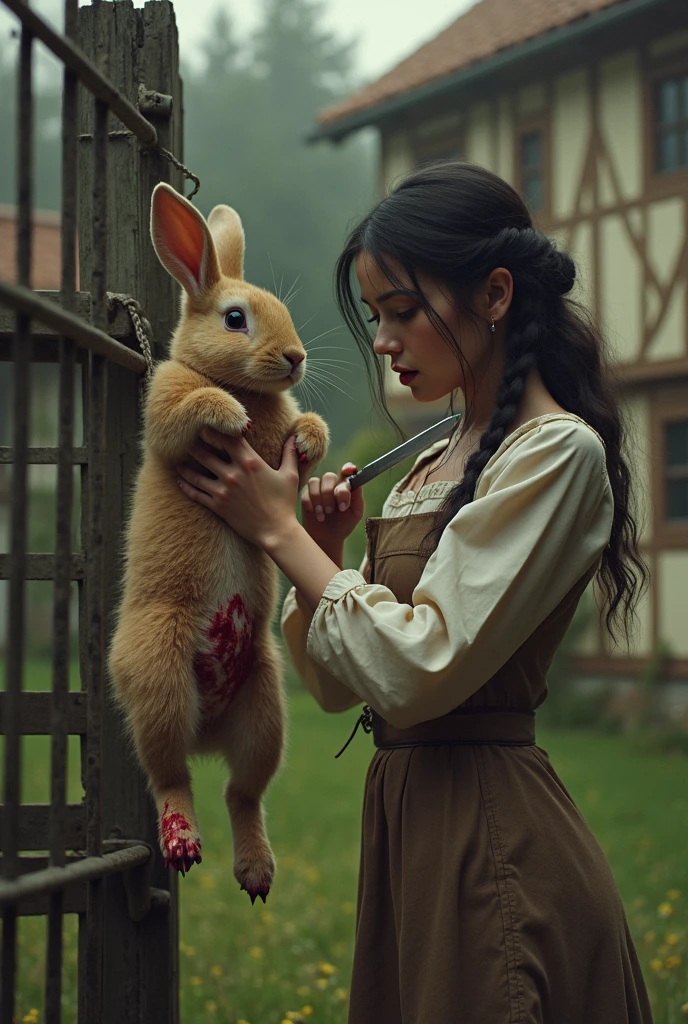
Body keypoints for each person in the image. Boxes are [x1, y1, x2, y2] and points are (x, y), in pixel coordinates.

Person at [175, 163, 654, 1023]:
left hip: (493, 838)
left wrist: (282, 534)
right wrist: (320, 551)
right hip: (406, 826)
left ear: (496, 294)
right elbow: (335, 687)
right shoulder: (430, 463)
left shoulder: (554, 455)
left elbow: (422, 666)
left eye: (403, 311)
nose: (385, 340)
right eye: (375, 317)